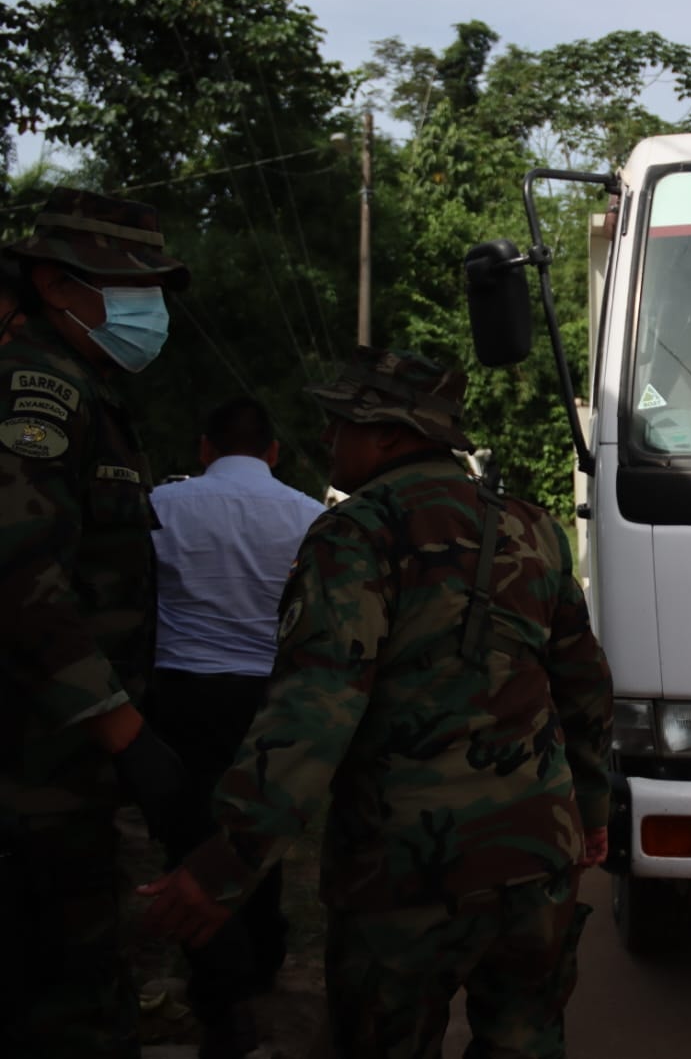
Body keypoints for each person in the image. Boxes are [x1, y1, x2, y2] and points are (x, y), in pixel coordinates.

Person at [140, 346, 615, 1058]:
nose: (327, 439)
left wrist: (227, 863)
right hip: (535, 856)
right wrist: (592, 814)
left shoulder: (355, 534)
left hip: (405, 875)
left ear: (389, 434)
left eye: (340, 424)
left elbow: (314, 712)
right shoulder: (532, 525)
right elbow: (584, 685)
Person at [0, 188, 195, 1058]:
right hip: (33, 762)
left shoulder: (90, 391)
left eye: (151, 286)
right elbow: (18, 572)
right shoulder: (35, 390)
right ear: (53, 281)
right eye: (125, 285)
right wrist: (125, 733)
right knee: (64, 995)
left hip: (64, 759)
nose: (144, 306)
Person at [143, 395, 325, 1055]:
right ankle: (264, 951)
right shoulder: (308, 516)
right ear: (273, 451)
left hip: (183, 691)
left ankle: (221, 988)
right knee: (259, 820)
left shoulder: (163, 507)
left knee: (191, 828)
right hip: (269, 693)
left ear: (203, 448)